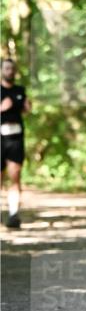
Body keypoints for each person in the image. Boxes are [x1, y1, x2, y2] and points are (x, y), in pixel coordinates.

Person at [1, 58, 31, 230]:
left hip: (16, 138)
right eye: (6, 68)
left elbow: (24, 111)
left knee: (15, 176)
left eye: (12, 68)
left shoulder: (21, 90)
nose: (9, 71)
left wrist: (27, 107)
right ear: (2, 71)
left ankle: (13, 214)